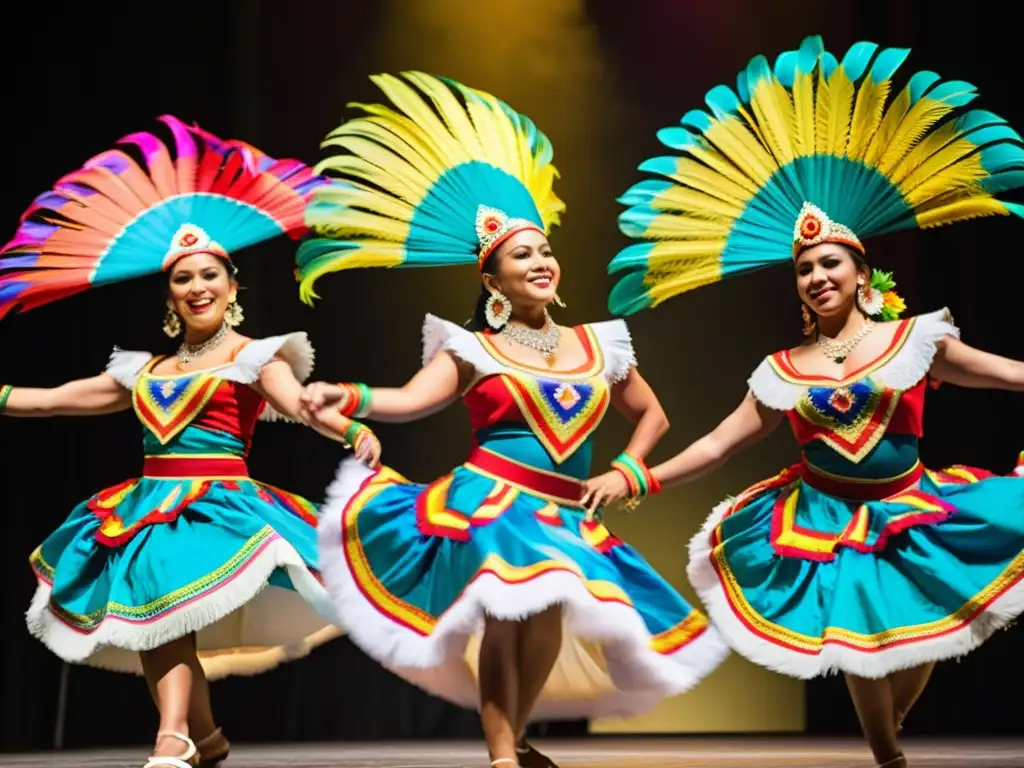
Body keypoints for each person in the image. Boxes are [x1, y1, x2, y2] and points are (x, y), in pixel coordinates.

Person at [604, 36, 1024, 768]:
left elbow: (1008, 374)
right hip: (824, 516)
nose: (815, 276)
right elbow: (717, 444)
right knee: (861, 644)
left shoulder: (917, 341)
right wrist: (637, 476)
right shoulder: (781, 369)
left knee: (928, 625)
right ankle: (888, 757)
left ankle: (890, 741)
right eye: (803, 269)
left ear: (863, 273)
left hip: (913, 504)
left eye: (829, 263)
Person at [294, 72, 729, 768]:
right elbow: (413, 399)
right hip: (494, 499)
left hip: (567, 511)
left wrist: (626, 468)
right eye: (523, 256)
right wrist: (350, 396)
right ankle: (502, 757)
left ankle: (515, 738)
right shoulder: (472, 347)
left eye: (546, 251)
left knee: (549, 618)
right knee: (505, 611)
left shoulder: (598, 344)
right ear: (491, 283)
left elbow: (652, 415)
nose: (542, 262)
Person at [0, 116, 381, 768]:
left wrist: (349, 427)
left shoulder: (256, 356)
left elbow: (296, 403)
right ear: (170, 295)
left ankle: (171, 738)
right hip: (148, 505)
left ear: (232, 286)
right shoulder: (143, 370)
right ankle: (199, 737)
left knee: (164, 611)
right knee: (154, 615)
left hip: (219, 505)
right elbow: (59, 399)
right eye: (184, 279)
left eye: (210, 275)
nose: (198, 287)